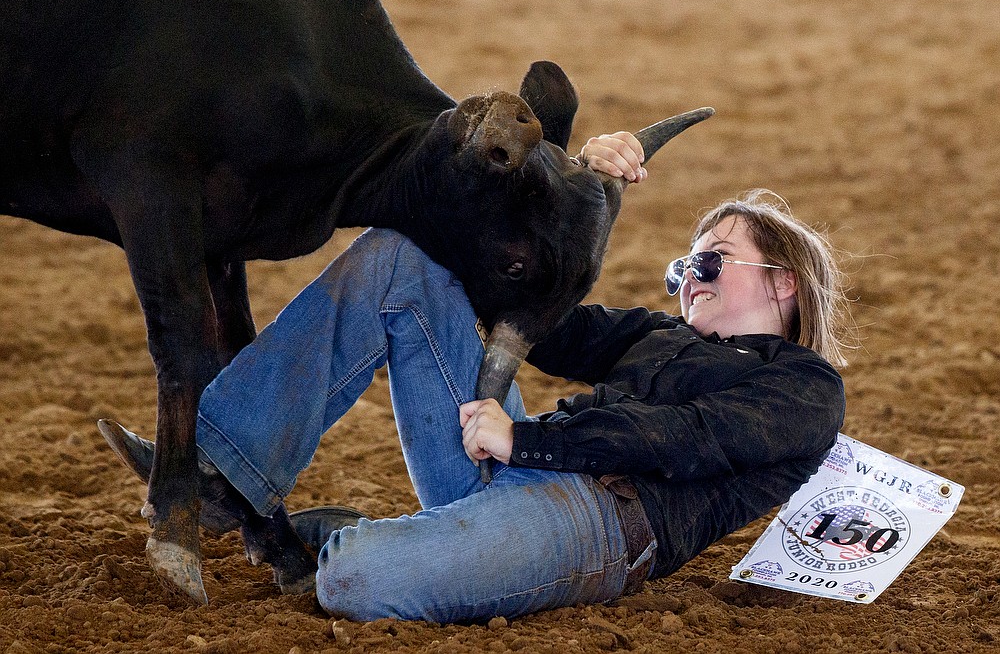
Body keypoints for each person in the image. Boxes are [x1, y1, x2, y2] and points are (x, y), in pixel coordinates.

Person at [106, 133, 850, 622]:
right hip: (520, 465)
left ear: (782, 284)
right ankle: (221, 468)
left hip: (599, 528)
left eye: (710, 262)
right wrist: (577, 183)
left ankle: (350, 540)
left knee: (355, 578)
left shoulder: (806, 389)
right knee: (403, 255)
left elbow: (681, 440)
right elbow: (528, 303)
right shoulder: (655, 335)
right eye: (683, 267)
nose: (690, 279)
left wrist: (523, 439)